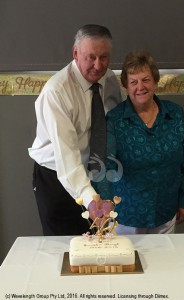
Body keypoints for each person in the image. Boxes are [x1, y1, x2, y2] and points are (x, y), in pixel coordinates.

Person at [28, 24, 122, 235]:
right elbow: (67, 157)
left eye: (104, 57)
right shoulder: (57, 92)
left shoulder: (109, 80)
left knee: (97, 246)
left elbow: (115, 121)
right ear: (75, 53)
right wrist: (91, 201)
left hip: (94, 172)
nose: (98, 65)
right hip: (57, 177)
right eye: (91, 57)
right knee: (65, 247)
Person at [101, 50, 184, 234]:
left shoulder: (175, 114)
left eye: (145, 79)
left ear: (155, 81)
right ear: (126, 86)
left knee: (163, 262)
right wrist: (104, 206)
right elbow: (107, 164)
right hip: (127, 216)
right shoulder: (115, 119)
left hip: (165, 211)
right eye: (133, 82)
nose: (140, 87)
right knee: (129, 263)